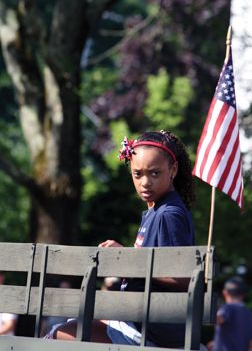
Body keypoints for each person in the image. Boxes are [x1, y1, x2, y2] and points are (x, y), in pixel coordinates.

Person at [45, 130, 196, 347]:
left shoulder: (168, 215)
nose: (145, 182)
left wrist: (126, 260)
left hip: (152, 330)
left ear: (173, 170)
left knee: (62, 333)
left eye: (155, 173)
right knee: (74, 325)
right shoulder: (157, 211)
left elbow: (186, 278)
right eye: (138, 174)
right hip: (140, 319)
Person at [208, 276, 252, 351]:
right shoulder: (249, 313)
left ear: (225, 292)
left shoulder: (227, 308)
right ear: (243, 294)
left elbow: (217, 319)